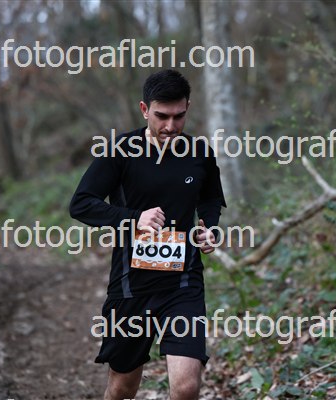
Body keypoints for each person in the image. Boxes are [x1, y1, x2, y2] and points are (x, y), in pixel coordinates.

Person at [69, 69, 226, 400]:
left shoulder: (200, 153)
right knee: (123, 387)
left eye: (178, 116)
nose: (170, 126)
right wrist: (134, 219)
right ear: (144, 110)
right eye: (161, 116)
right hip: (131, 285)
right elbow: (81, 204)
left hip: (183, 283)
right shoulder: (120, 151)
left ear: (188, 107)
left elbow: (211, 198)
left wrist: (209, 228)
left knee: (186, 387)